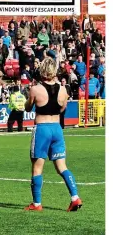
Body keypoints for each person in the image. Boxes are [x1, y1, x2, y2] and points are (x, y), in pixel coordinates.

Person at [24, 58, 82, 212]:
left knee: (37, 168)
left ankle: (36, 204)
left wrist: (28, 101)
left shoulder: (35, 89)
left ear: (42, 69)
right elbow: (63, 108)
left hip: (42, 128)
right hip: (57, 128)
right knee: (62, 166)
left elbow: (28, 108)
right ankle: (75, 198)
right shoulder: (63, 89)